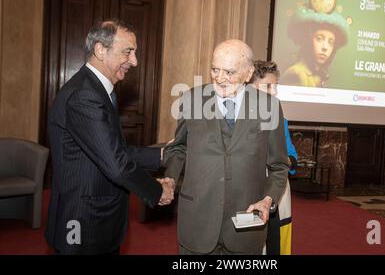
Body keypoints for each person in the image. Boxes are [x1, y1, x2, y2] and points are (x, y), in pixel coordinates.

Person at [45, 20, 175, 255]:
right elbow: (116, 164)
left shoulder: (94, 89)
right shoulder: (85, 96)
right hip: (84, 222)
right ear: (100, 50)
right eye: (128, 52)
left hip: (95, 218)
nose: (134, 61)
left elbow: (112, 149)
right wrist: (156, 191)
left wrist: (164, 154)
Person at [163, 39, 289, 255]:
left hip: (246, 226)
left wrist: (268, 200)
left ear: (248, 74)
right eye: (215, 69)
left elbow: (278, 166)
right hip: (197, 220)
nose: (220, 78)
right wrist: (171, 177)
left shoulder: (269, 107)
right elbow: (178, 147)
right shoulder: (192, 99)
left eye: (229, 72)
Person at [250, 60, 298, 255]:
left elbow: (293, 157)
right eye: (268, 86)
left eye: (275, 86)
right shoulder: (236, 119)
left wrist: (282, 161)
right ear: (249, 87)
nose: (274, 92)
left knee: (274, 244)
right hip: (249, 191)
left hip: (278, 193)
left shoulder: (279, 119)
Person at [282, 6, 349, 87]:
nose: (325, 47)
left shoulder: (319, 75)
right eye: (319, 39)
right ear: (308, 40)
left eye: (330, 42)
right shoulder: (296, 74)